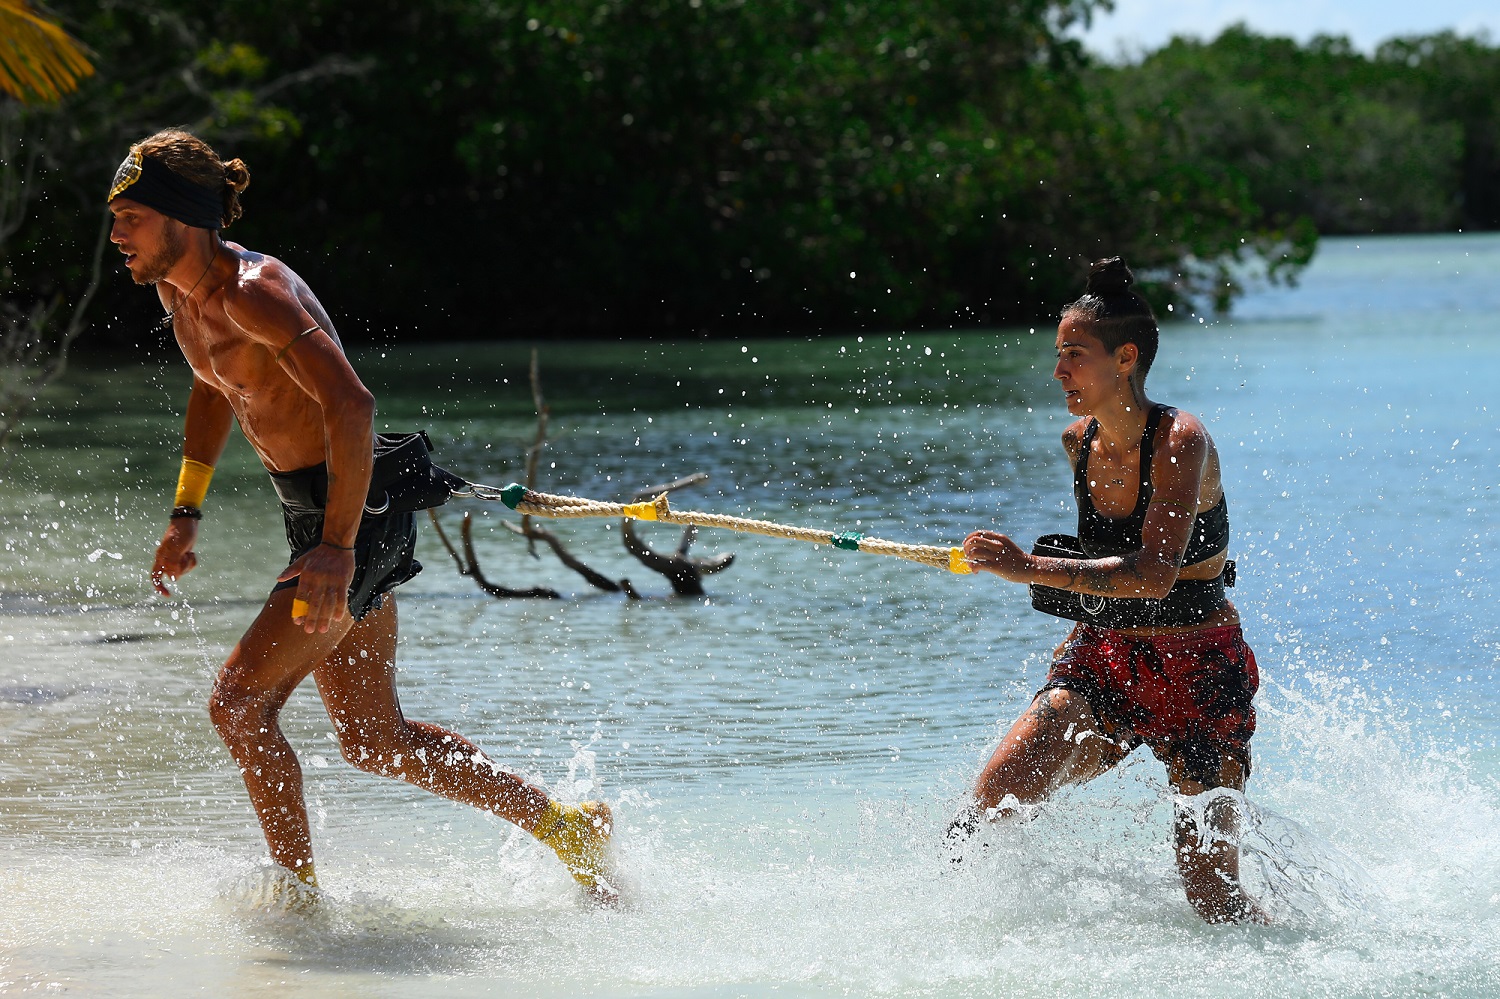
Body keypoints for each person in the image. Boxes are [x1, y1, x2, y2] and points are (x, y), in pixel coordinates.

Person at [106, 129, 615, 905]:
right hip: (321, 518)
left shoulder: (252, 292)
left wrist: (338, 547)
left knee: (238, 704)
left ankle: (298, 901)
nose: (116, 234)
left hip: (354, 511)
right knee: (377, 741)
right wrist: (187, 509)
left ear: (180, 216)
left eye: (131, 217)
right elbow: (215, 386)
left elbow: (352, 403)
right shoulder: (182, 293)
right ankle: (566, 828)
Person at [950, 257, 1265, 924]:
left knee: (1211, 897)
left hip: (1201, 670)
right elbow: (1100, 561)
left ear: (1124, 358)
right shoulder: (1077, 441)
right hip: (1108, 660)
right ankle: (931, 926)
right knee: (994, 798)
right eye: (1057, 353)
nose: (1058, 370)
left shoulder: (1182, 441)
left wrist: (1026, 566)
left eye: (1073, 354)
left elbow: (1153, 573)